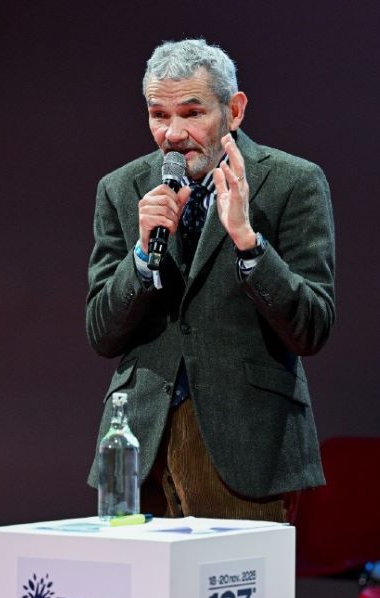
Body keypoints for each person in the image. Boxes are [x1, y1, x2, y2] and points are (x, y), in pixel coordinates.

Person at [85, 39, 335, 521]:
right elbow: (102, 332)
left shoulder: (293, 182)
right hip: (139, 447)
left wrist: (249, 242)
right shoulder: (121, 189)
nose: (173, 134)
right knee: (136, 573)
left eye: (192, 113)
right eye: (159, 115)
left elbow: (313, 327)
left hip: (248, 448)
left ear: (233, 110)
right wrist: (141, 256)